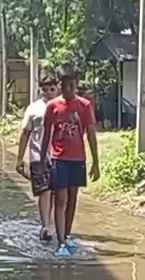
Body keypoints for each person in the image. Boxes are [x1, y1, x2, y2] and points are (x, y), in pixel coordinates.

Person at [39, 65, 101, 258]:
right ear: (60, 85)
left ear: (76, 85)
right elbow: (46, 134)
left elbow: (91, 134)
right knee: (61, 200)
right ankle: (62, 243)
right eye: (64, 86)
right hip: (59, 157)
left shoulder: (84, 106)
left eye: (71, 86)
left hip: (78, 158)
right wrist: (42, 160)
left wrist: (96, 162)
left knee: (73, 200)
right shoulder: (53, 106)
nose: (68, 90)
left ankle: (66, 234)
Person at [16, 74, 60, 243]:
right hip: (37, 156)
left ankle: (55, 225)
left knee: (57, 192)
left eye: (52, 89)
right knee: (44, 190)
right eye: (45, 89)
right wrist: (20, 158)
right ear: (40, 90)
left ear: (57, 88)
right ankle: (46, 226)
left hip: (59, 155)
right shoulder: (34, 109)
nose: (48, 93)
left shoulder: (63, 107)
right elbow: (25, 133)